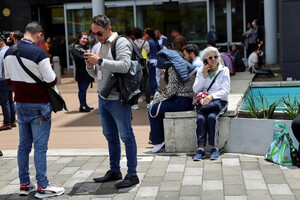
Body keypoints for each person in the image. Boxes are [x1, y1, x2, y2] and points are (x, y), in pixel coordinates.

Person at [3, 21, 65, 198]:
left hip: (20, 104)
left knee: (23, 146)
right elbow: (51, 80)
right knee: (40, 147)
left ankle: (24, 184)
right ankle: (43, 186)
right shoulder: (38, 53)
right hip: (39, 105)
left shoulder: (9, 52)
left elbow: (8, 81)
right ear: (39, 35)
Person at [85, 15, 139, 189]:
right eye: (93, 34)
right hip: (103, 97)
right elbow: (96, 74)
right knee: (110, 136)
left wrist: (99, 60)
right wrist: (89, 65)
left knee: (126, 136)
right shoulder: (97, 45)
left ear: (109, 28)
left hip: (118, 98)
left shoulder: (121, 42)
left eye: (99, 34)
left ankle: (132, 174)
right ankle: (115, 170)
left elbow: (124, 65)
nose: (96, 37)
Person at [148, 49, 197, 153]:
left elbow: (172, 89)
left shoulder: (172, 68)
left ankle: (158, 141)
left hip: (180, 101)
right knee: (158, 108)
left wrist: (157, 99)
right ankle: (160, 138)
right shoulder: (184, 64)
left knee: (153, 109)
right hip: (188, 101)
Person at [193, 46, 230, 160]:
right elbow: (196, 89)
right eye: (210, 57)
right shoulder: (200, 71)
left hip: (219, 101)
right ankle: (200, 149)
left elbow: (225, 90)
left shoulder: (224, 70)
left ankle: (214, 148)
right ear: (205, 60)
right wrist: (203, 76)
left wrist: (212, 96)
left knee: (212, 117)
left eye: (215, 57)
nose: (213, 59)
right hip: (204, 102)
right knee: (200, 119)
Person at [70, 32, 94, 112]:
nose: (85, 40)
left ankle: (84, 104)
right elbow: (79, 58)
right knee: (82, 89)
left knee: (84, 89)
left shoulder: (85, 48)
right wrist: (88, 56)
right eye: (83, 38)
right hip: (81, 73)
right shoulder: (75, 48)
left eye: (86, 39)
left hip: (87, 72)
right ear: (79, 39)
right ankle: (82, 105)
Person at [132, 27, 151, 110]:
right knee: (146, 83)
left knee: (136, 84)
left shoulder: (132, 43)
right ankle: (148, 103)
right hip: (144, 64)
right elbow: (147, 51)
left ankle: (135, 104)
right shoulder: (145, 43)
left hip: (136, 65)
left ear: (133, 35)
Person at [0, 36, 16, 131]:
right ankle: (12, 120)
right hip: (11, 79)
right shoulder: (10, 50)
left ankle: (7, 123)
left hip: (2, 79)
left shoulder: (1, 53)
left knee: (4, 101)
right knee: (10, 101)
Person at [144, 28, 161, 97]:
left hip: (151, 60)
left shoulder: (149, 42)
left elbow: (147, 51)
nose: (144, 35)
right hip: (156, 60)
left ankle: (153, 93)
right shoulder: (155, 41)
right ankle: (155, 92)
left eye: (145, 34)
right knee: (155, 77)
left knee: (152, 78)